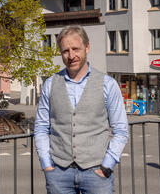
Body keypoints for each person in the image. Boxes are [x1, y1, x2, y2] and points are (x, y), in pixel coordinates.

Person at [34, 25, 128, 194]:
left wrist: (107, 166)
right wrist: (46, 165)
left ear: (87, 47)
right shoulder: (50, 84)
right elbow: (41, 127)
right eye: (65, 51)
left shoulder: (108, 84)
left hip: (97, 173)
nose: (71, 56)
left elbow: (121, 129)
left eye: (75, 49)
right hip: (59, 174)